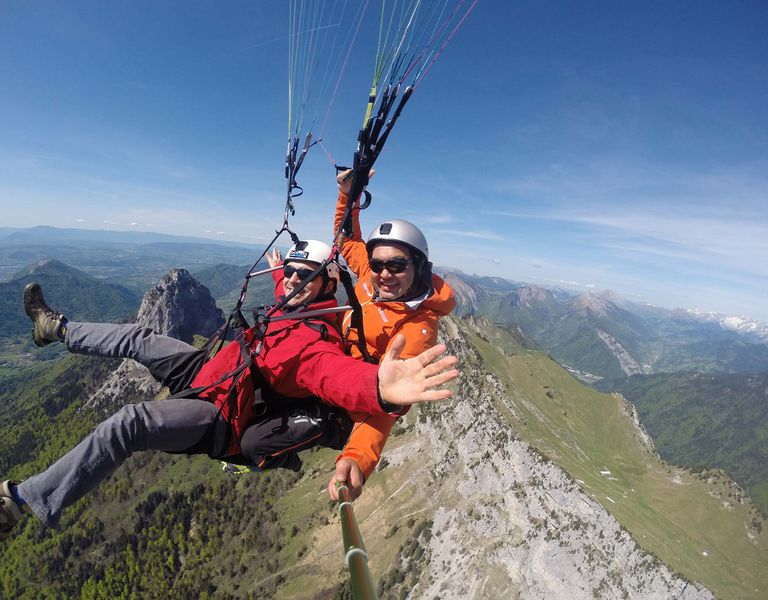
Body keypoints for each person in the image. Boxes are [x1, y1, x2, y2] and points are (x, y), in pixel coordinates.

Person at [0, 240, 459, 538]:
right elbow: (314, 270)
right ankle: (55, 329)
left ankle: (22, 500)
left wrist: (378, 388)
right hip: (213, 372)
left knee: (131, 423)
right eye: (291, 273)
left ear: (328, 284)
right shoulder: (297, 296)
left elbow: (331, 375)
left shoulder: (314, 340)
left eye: (305, 275)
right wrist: (337, 208)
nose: (293, 280)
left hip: (224, 415)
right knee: (139, 338)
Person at [327, 170, 457, 500]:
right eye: (378, 263)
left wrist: (358, 458)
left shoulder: (416, 328)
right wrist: (348, 195)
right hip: (332, 366)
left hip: (352, 398)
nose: (385, 274)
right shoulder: (369, 278)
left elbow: (386, 402)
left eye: (397, 265)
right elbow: (347, 242)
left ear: (419, 267)